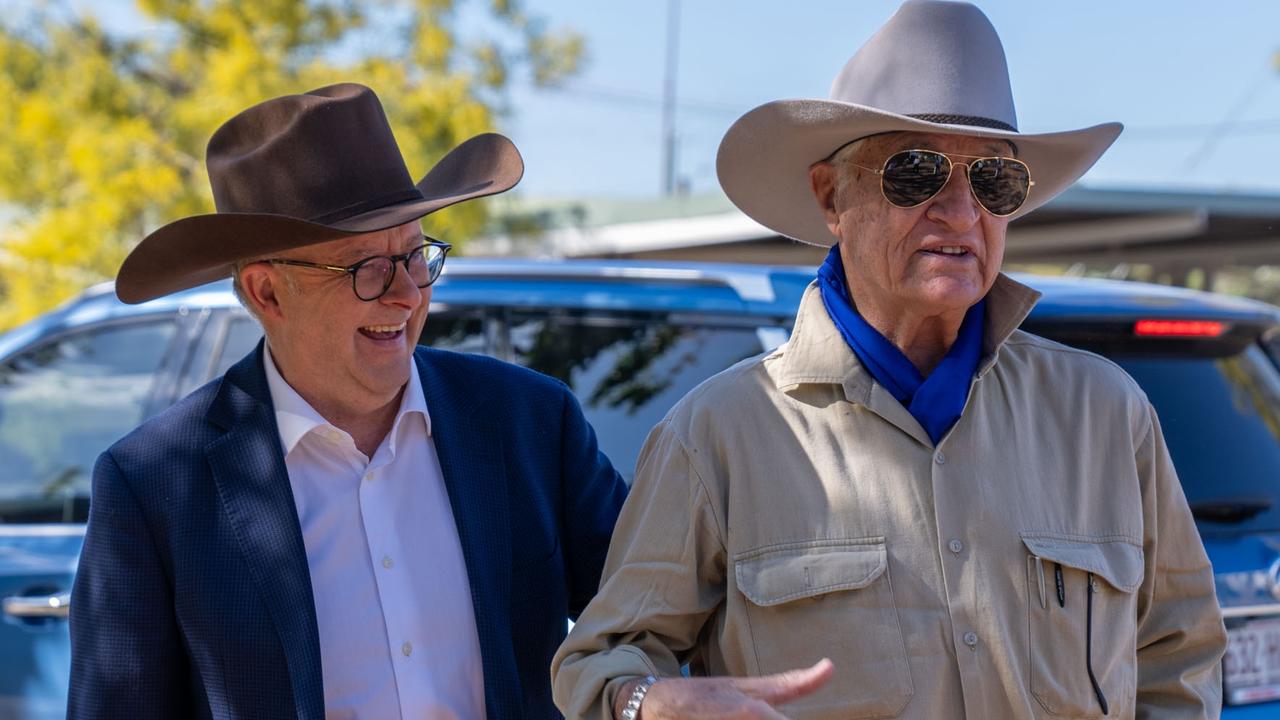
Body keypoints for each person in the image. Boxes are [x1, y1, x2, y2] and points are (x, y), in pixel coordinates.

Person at [552, 2, 1227, 718]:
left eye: (994, 181)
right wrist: (646, 703)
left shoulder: (1105, 413)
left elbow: (1179, 659)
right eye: (917, 173)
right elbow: (603, 661)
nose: (962, 211)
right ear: (830, 196)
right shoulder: (719, 434)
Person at [68, 82, 627, 720]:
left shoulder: (529, 421)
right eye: (365, 268)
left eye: (416, 256)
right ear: (267, 293)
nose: (408, 295)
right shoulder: (154, 484)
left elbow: (648, 613)